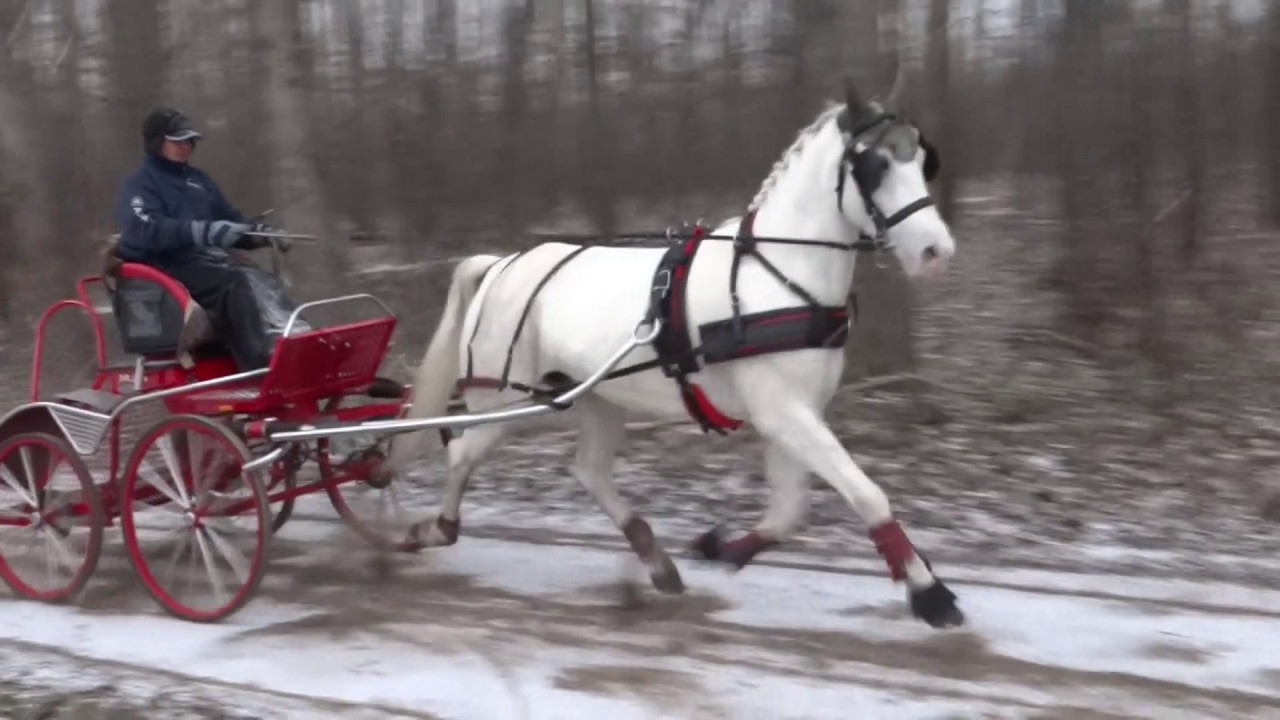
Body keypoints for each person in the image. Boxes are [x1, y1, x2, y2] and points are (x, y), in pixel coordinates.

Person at [112, 107, 308, 371]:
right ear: (157, 142)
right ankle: (260, 361)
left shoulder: (198, 181)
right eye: (178, 141)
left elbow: (228, 219)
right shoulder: (141, 183)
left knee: (262, 279)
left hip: (206, 260)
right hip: (166, 265)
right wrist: (201, 231)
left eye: (189, 140)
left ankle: (300, 340)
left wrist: (259, 233)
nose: (186, 146)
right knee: (233, 282)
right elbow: (145, 229)